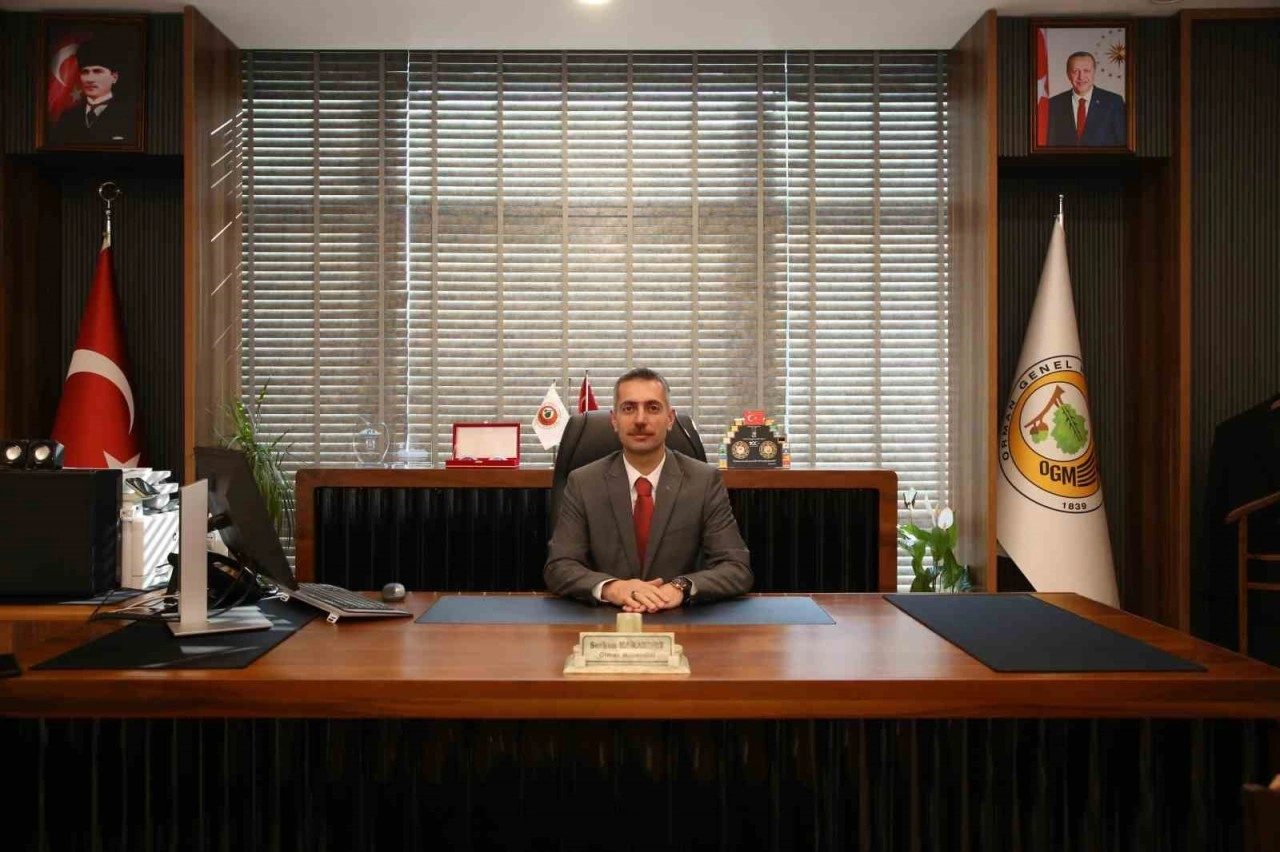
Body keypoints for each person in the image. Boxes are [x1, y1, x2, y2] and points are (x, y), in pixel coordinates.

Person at [544, 367, 752, 611]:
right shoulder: (583, 482)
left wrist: (680, 587)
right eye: (628, 408)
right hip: (604, 619)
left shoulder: (704, 481)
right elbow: (559, 566)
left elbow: (736, 568)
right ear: (614, 420)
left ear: (670, 419)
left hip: (681, 619)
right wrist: (612, 588)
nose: (640, 420)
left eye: (653, 408)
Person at [48, 36, 136, 146]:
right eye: (85, 72)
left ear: (114, 77)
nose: (89, 79)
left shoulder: (129, 116)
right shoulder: (67, 117)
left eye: (97, 71)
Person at [1045, 51, 1126, 147]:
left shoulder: (1114, 102)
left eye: (1086, 71)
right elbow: (1050, 144)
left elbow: (1123, 145)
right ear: (1068, 74)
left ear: (1094, 72)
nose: (1081, 77)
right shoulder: (1054, 104)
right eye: (1075, 71)